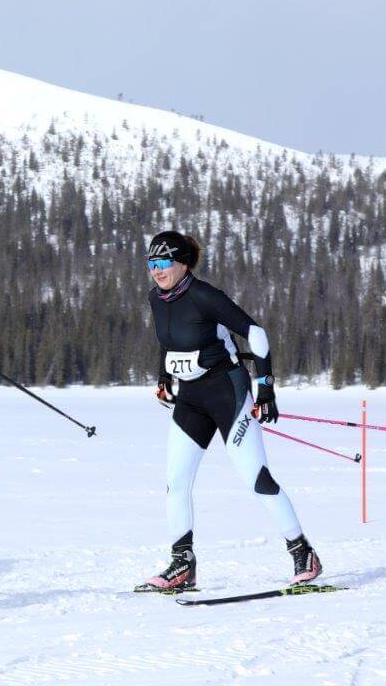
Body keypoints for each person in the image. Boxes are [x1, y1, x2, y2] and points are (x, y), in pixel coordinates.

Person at [137, 230, 322, 593]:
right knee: (176, 482)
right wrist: (164, 377)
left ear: (183, 263)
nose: (157, 270)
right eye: (151, 263)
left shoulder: (206, 296)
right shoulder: (156, 298)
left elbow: (256, 333)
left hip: (227, 392)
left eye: (163, 263)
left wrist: (266, 386)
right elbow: (168, 341)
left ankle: (303, 552)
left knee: (256, 478)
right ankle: (183, 565)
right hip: (190, 397)